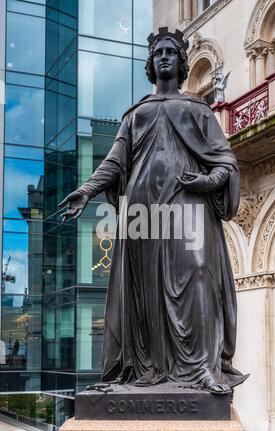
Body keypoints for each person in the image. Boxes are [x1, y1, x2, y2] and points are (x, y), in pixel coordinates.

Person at [59, 28, 248, 394]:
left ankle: (202, 369)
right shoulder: (135, 114)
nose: (164, 57)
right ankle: (145, 371)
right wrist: (86, 190)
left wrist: (207, 183)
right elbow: (114, 162)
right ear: (151, 63)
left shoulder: (198, 109)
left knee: (198, 275)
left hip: (189, 205)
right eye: (158, 52)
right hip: (142, 208)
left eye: (171, 52)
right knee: (142, 291)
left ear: (181, 63)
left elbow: (226, 162)